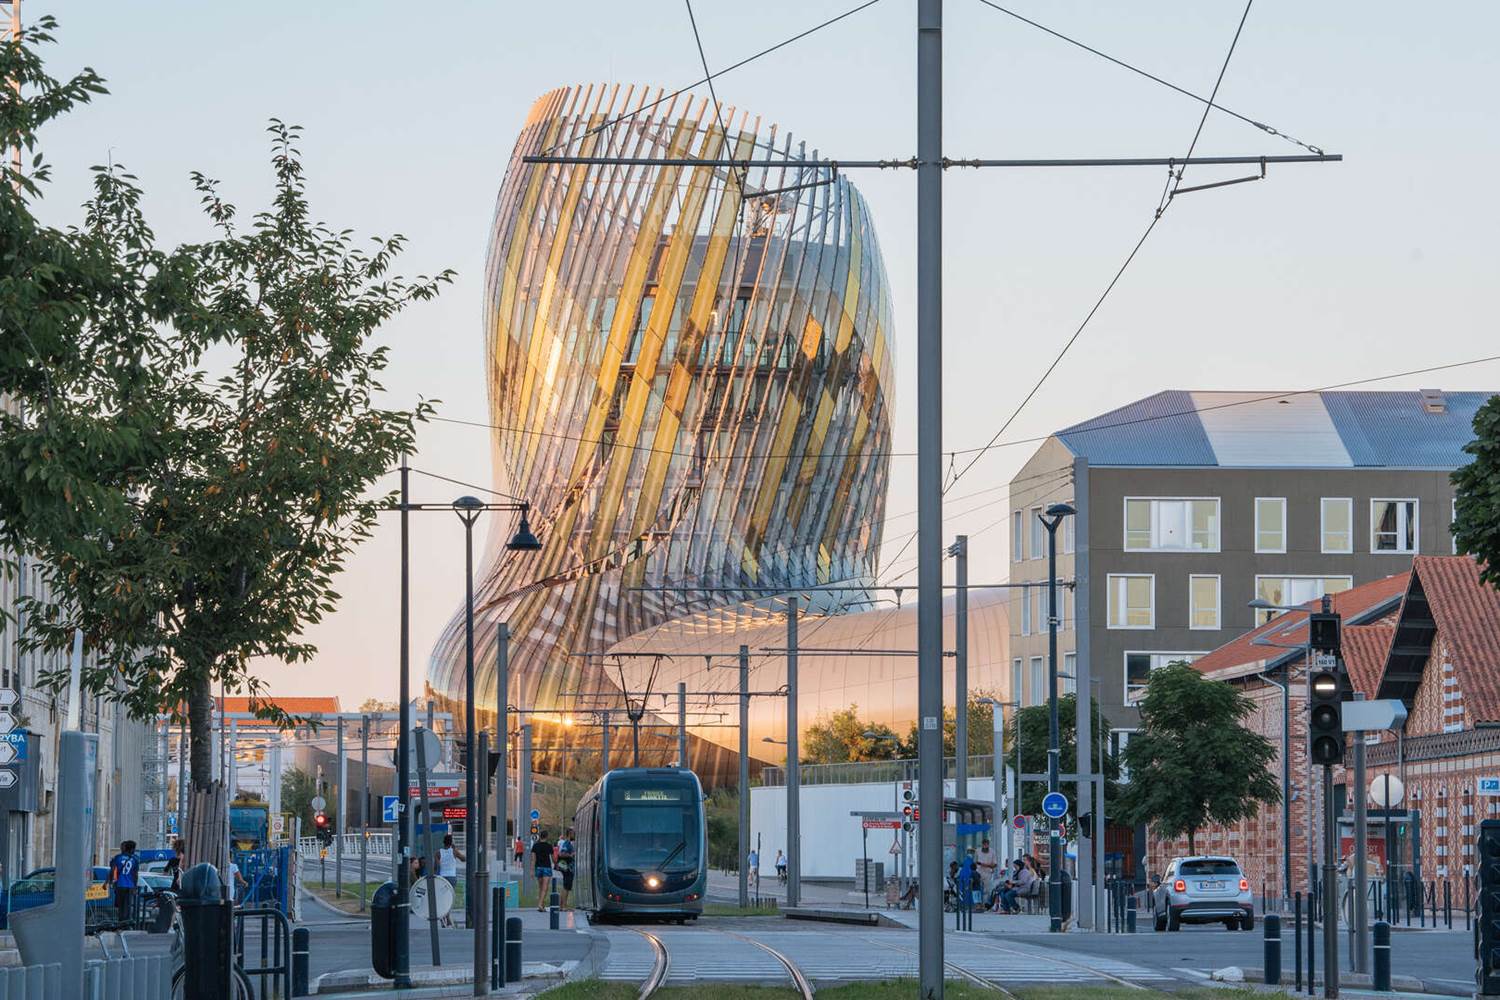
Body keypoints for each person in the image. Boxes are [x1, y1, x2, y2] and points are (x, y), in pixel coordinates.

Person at [108, 840, 140, 926]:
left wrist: (109, 882)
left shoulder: (118, 857)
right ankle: (126, 924)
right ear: (131, 849)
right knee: (128, 906)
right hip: (130, 886)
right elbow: (135, 874)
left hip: (120, 885)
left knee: (120, 906)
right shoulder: (135, 859)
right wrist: (135, 886)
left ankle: (120, 923)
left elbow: (112, 870)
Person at [530, 829, 555, 911]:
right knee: (545, 888)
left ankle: (542, 904)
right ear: (546, 837)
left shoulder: (535, 846)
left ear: (540, 836)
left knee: (541, 887)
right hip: (547, 868)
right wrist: (557, 864)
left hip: (538, 868)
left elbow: (533, 859)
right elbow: (553, 858)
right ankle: (540, 904)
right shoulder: (549, 846)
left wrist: (532, 871)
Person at [556, 827, 576, 910]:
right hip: (568, 868)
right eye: (573, 833)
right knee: (566, 887)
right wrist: (571, 855)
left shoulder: (568, 843)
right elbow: (561, 854)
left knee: (566, 886)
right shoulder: (567, 843)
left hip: (568, 868)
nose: (574, 835)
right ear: (570, 834)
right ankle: (563, 906)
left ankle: (562, 906)